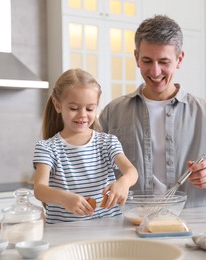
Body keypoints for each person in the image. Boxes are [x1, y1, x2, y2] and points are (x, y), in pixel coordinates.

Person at [99, 15, 206, 208]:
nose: (155, 71)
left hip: (192, 225)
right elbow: (91, 163)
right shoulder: (113, 112)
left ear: (179, 59)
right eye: (147, 61)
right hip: (129, 225)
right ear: (136, 58)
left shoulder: (205, 111)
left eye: (164, 62)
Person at [33, 69, 138, 224]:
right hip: (64, 234)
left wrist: (123, 183)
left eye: (89, 109)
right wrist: (63, 198)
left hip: (109, 230)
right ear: (57, 105)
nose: (82, 114)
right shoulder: (47, 148)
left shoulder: (107, 143)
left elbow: (131, 171)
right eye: (74, 108)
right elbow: (39, 189)